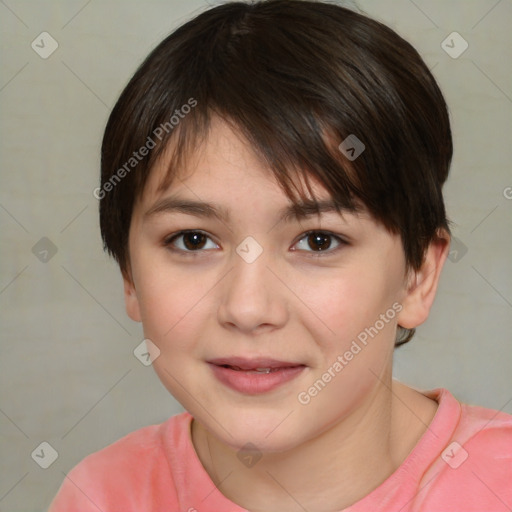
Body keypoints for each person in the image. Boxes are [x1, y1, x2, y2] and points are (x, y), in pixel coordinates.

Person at [49, 1, 512, 511]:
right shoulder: (101, 497)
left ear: (418, 274)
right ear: (130, 275)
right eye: (193, 240)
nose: (248, 309)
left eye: (318, 241)